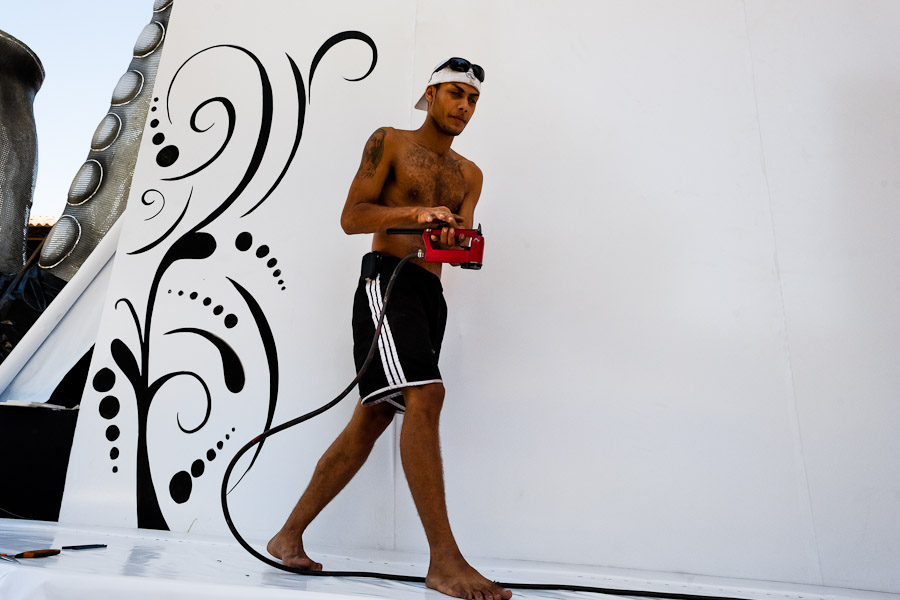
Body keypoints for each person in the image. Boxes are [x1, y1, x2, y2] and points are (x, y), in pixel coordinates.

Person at [267, 58, 512, 600]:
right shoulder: (391, 141)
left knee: (374, 415)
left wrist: (464, 242)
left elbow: (459, 244)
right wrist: (416, 214)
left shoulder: (470, 174)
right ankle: (444, 561)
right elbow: (352, 216)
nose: (463, 107)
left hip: (430, 295)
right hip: (387, 283)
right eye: (454, 94)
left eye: (471, 100)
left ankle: (288, 535)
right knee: (427, 394)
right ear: (430, 93)